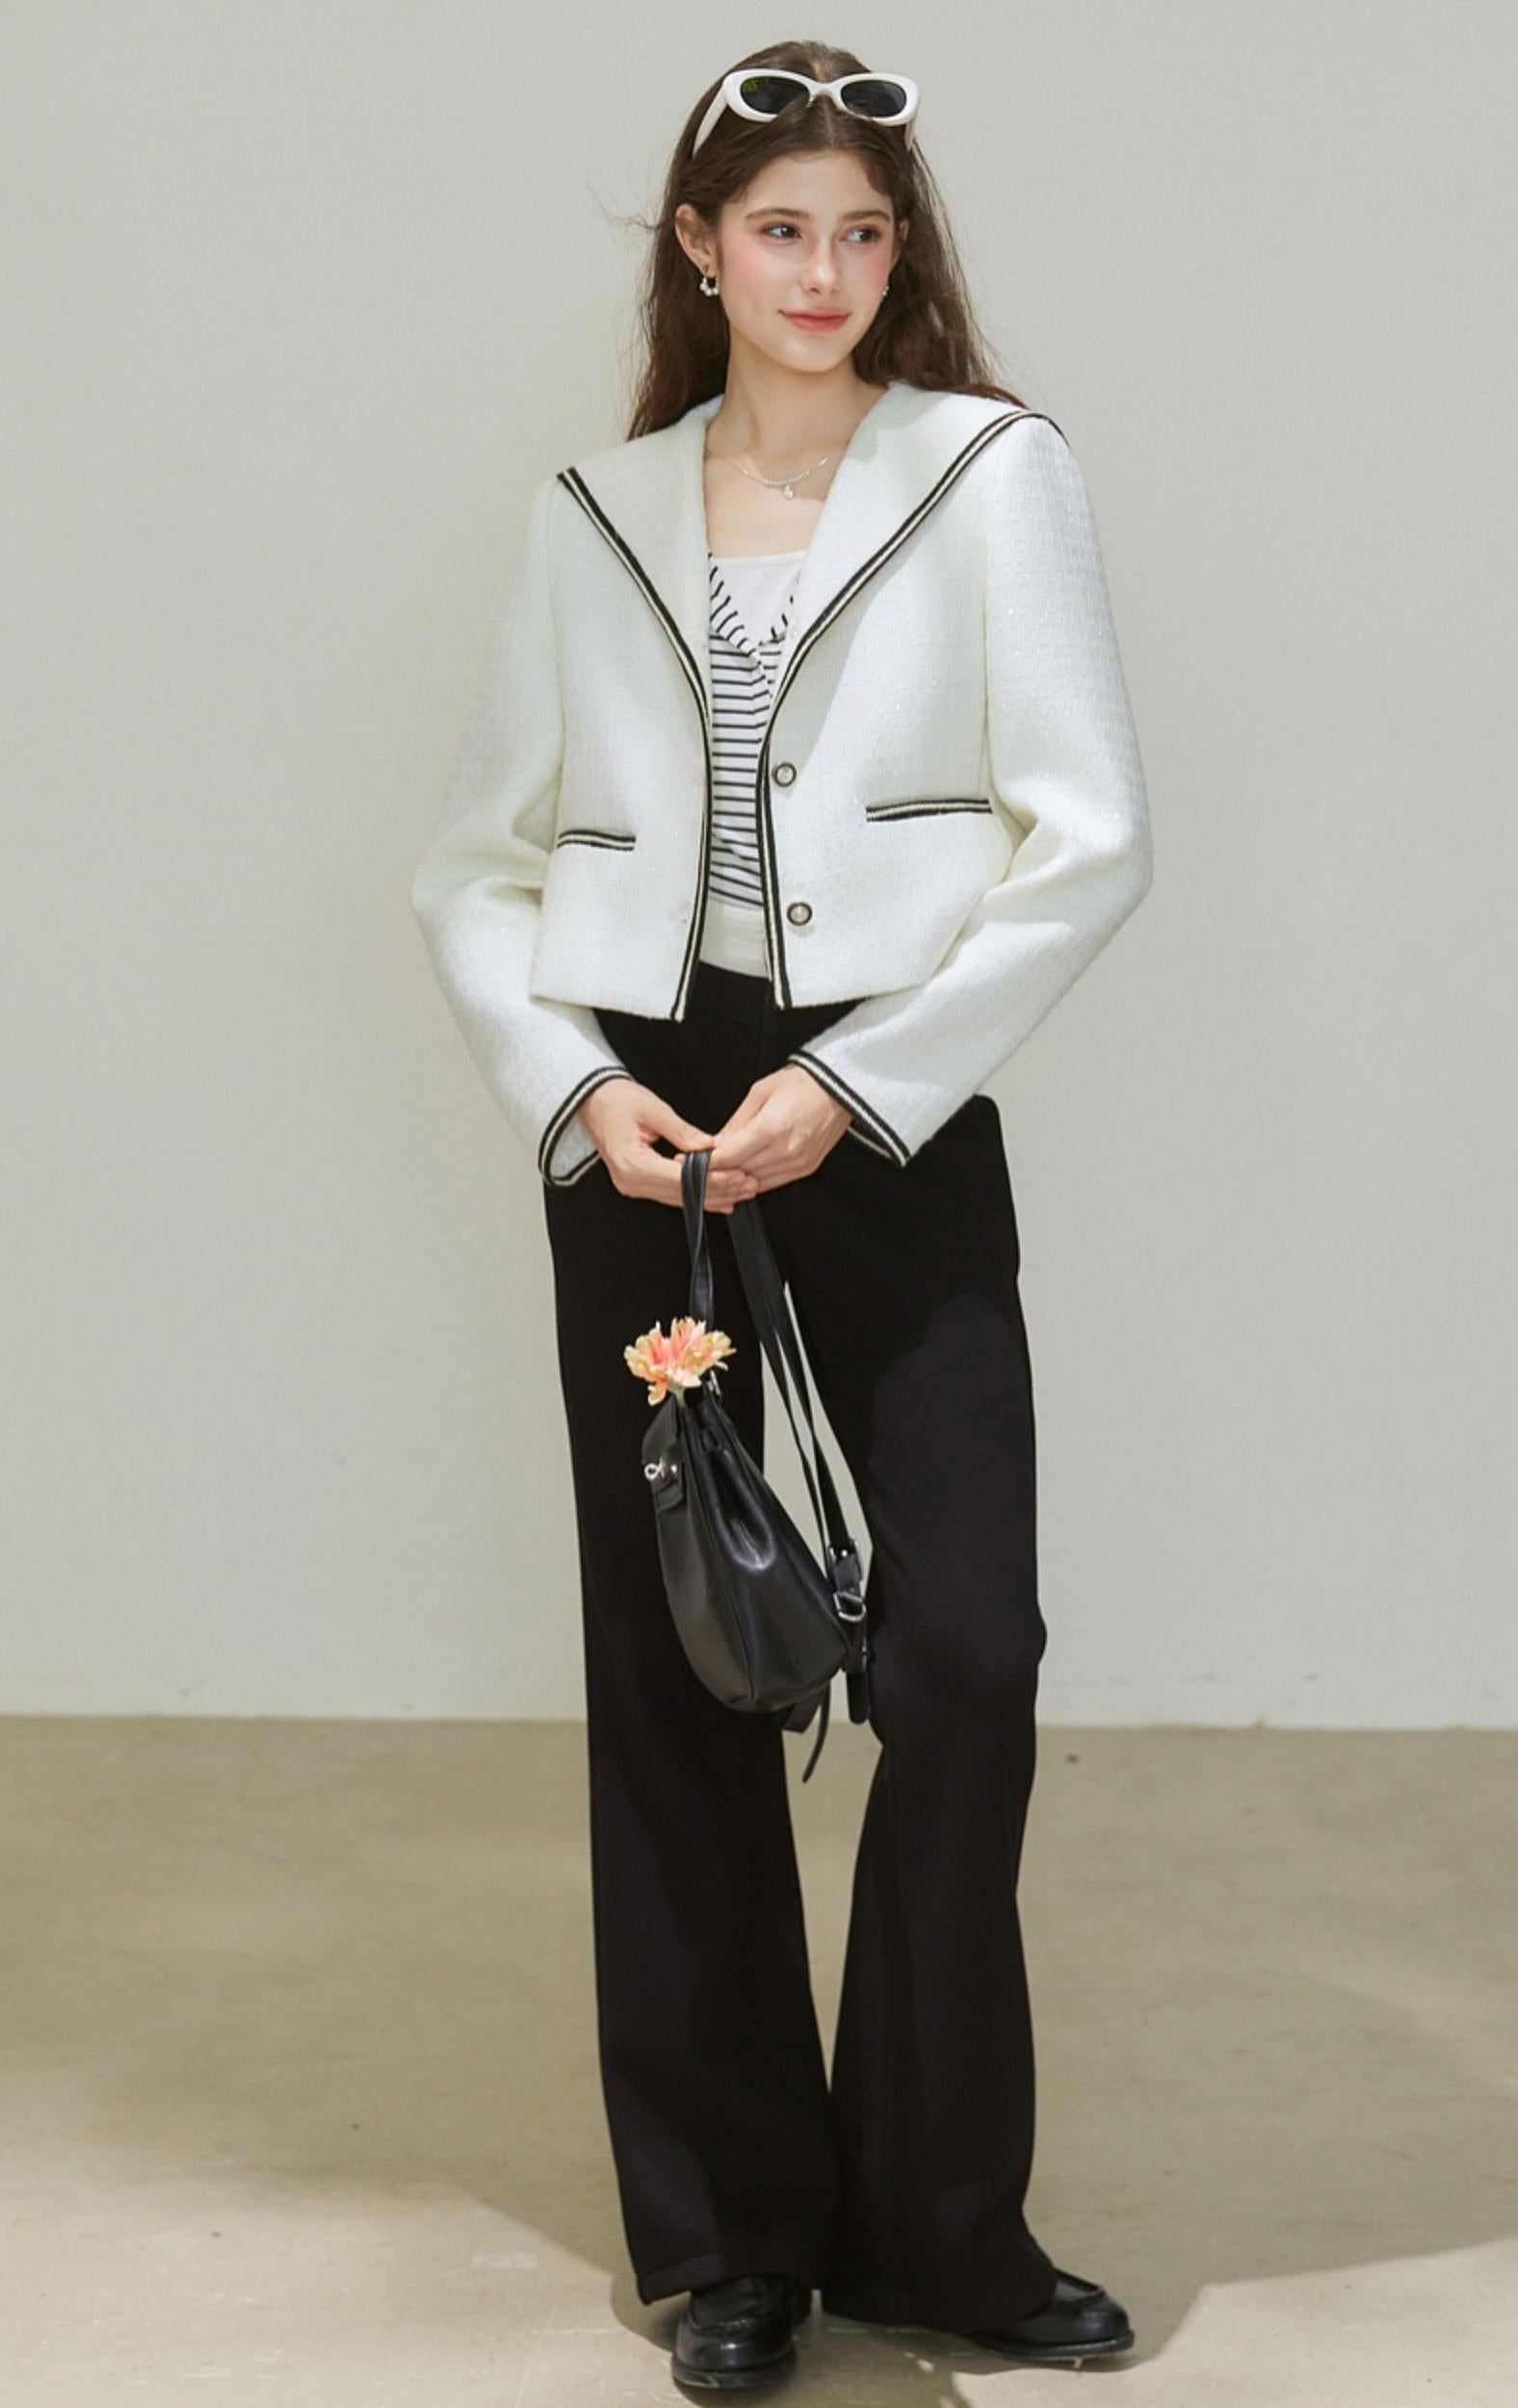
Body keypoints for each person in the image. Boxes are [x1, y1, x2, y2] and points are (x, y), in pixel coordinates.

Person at [410, 39, 1154, 2392]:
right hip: (649, 1109)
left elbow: (1089, 838)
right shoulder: (597, 509)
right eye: (780, 230)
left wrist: (862, 1078)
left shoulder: (993, 473)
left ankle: (937, 2223)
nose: (823, 272)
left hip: (884, 1095)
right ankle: (733, 2233)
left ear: (897, 253)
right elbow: (477, 862)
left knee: (964, 1660)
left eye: (860, 231)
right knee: (677, 1663)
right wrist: (575, 1087)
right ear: (699, 249)